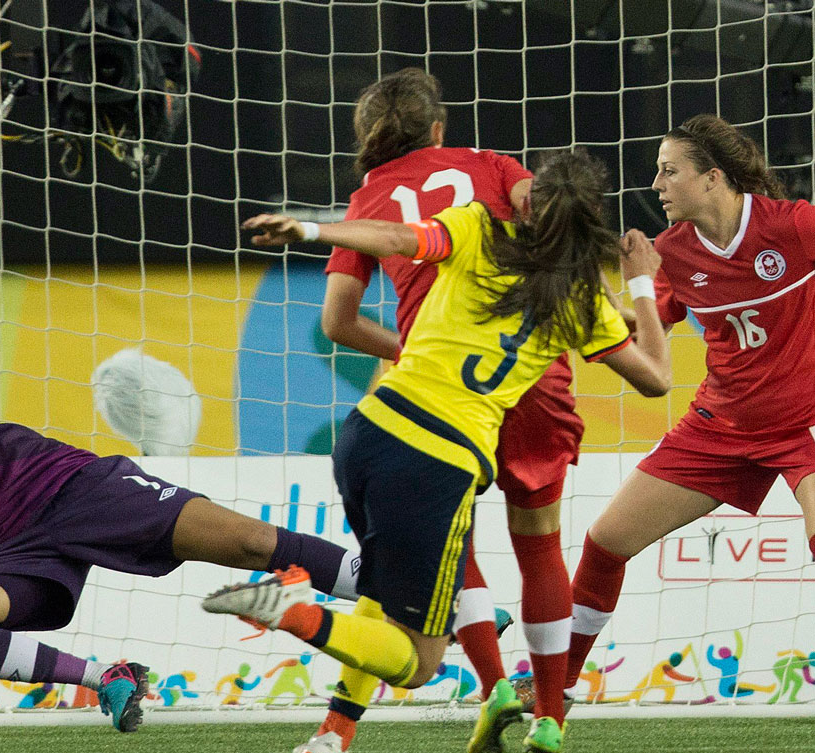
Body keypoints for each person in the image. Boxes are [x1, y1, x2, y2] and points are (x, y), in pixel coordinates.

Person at [203, 149, 672, 753]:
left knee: (382, 590)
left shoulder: (476, 225)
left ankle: (332, 736)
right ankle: (296, 612)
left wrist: (312, 228)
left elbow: (398, 236)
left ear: (527, 202)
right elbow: (657, 378)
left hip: (368, 432)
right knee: (420, 661)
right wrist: (640, 282)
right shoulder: (581, 302)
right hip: (439, 459)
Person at [0, 255, 364, 734]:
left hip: (73, 488)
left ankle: (387, 585)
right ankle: (106, 678)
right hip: (10, 551)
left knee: (248, 543)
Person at [313, 67, 579, 753]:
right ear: (438, 127)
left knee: (434, 544)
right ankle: (548, 720)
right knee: (541, 541)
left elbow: (338, 322)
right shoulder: (488, 165)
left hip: (437, 388)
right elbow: (547, 209)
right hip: (529, 368)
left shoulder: (368, 197)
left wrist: (407, 346)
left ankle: (485, 691)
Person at [564, 115, 815, 707]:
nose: (656, 183)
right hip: (720, 426)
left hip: (803, 425)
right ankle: (556, 683)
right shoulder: (672, 252)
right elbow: (646, 337)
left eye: (669, 170)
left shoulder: (796, 226)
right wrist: (604, 305)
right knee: (605, 543)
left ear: (713, 178)